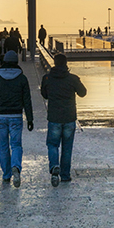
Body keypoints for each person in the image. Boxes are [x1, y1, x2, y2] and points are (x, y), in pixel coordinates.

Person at [0, 50, 33, 187]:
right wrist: (30, 119)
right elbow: (27, 101)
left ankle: (6, 175)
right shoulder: (22, 78)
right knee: (16, 145)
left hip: (0, 116)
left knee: (3, 146)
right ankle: (16, 167)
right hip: (16, 116)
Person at [40, 53, 87, 187]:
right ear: (66, 63)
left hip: (54, 117)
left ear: (54, 63)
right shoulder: (72, 78)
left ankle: (54, 166)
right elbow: (83, 93)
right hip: (69, 118)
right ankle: (65, 175)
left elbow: (44, 95)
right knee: (67, 148)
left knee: (52, 144)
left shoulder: (47, 78)